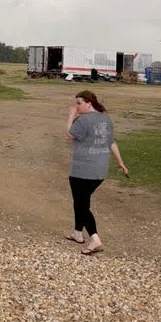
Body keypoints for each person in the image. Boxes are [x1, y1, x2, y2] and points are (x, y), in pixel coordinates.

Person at [64, 90, 129, 255]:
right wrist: (120, 162)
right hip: (100, 171)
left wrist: (71, 116)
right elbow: (111, 142)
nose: (77, 107)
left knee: (81, 204)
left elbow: (69, 135)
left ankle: (95, 239)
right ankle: (78, 233)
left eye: (79, 103)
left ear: (89, 103)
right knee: (81, 200)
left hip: (82, 171)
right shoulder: (105, 119)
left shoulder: (82, 120)